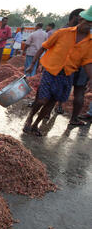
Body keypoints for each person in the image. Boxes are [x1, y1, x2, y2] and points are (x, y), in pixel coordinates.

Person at [24, 8, 92, 136]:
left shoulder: (90, 42)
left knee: (51, 103)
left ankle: (35, 125)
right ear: (81, 19)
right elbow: (44, 47)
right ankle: (29, 119)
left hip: (67, 75)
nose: (89, 25)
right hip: (50, 71)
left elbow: (87, 62)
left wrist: (91, 78)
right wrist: (32, 64)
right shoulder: (62, 33)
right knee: (42, 100)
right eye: (88, 22)